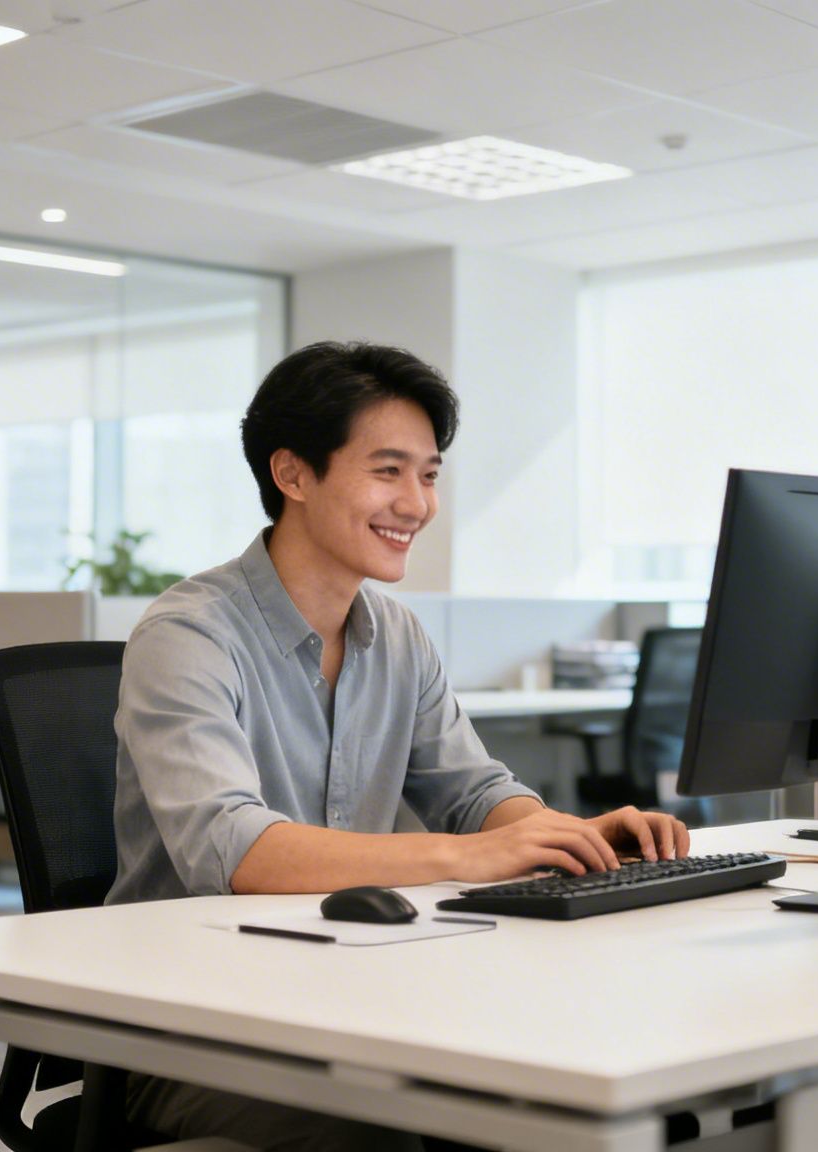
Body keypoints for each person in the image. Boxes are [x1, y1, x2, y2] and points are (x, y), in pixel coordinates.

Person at [108, 341, 689, 1150]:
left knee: (586, 1093)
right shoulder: (190, 634)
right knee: (417, 1127)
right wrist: (464, 859)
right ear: (294, 475)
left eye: (430, 474)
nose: (417, 504)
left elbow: (474, 791)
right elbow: (235, 849)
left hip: (357, 993)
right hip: (195, 1029)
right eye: (389, 471)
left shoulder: (397, 634)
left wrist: (562, 835)